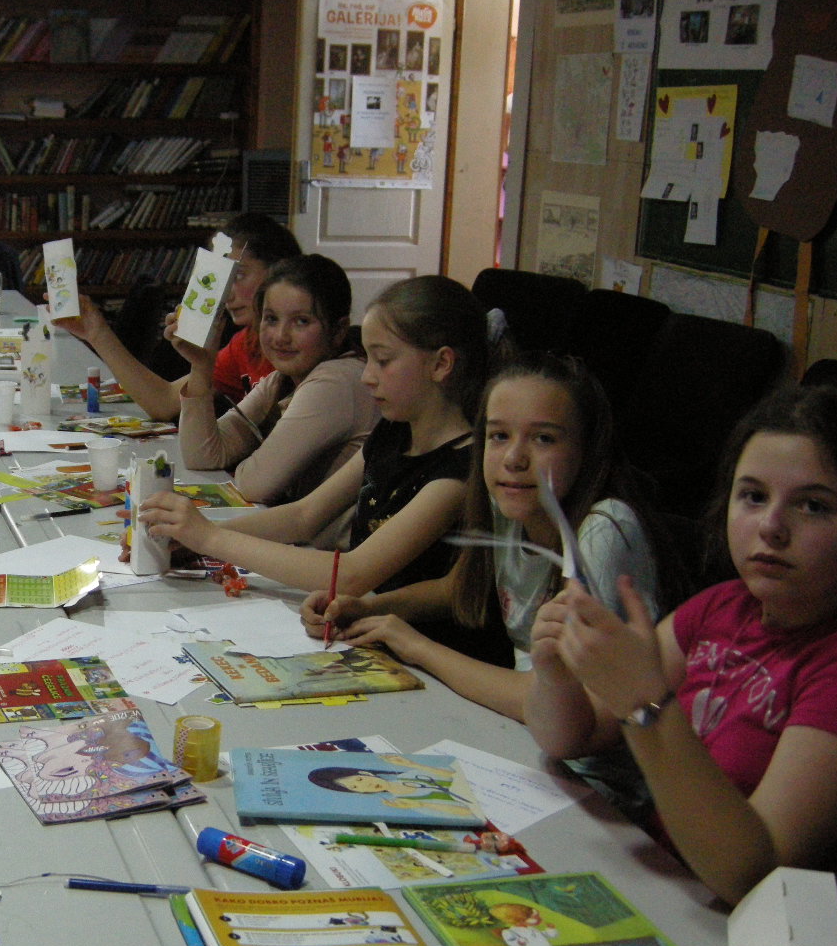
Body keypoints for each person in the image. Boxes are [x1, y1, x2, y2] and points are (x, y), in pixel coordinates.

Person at [525, 384, 837, 946]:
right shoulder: (724, 607)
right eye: (753, 496)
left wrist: (644, 705)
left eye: (813, 506)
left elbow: (749, 872)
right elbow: (572, 736)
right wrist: (557, 669)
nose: (771, 527)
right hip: (670, 902)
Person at [140, 275, 505, 663]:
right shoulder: (393, 433)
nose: (367, 376)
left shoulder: (460, 470)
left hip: (436, 662)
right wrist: (194, 538)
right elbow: (304, 515)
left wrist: (210, 539)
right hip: (379, 637)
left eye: (383, 361)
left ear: (442, 364)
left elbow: (352, 574)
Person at [304, 352, 674, 732]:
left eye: (543, 438)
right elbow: (459, 588)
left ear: (588, 449)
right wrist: (368, 609)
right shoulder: (510, 504)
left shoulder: (603, 530)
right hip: (533, 734)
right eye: (499, 436)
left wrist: (416, 646)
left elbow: (545, 697)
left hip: (593, 756)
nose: (514, 458)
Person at [54, 212, 301, 421]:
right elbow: (163, 402)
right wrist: (97, 332)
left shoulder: (297, 348)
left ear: (278, 272)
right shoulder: (244, 345)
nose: (226, 294)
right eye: (222, 280)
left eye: (238, 276)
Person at [176, 254, 375, 504]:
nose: (281, 336)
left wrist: (246, 462)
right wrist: (201, 366)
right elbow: (203, 455)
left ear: (338, 331)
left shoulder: (336, 381)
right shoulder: (281, 380)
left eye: (301, 321)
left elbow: (254, 485)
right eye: (271, 319)